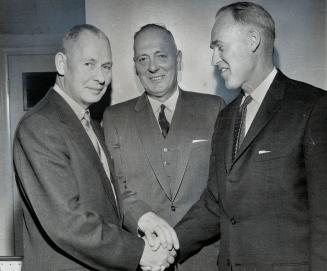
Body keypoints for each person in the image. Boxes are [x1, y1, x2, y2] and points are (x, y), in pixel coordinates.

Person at [174, 2, 327, 271]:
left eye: (219, 46)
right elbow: (215, 202)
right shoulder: (225, 117)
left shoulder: (313, 107)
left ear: (253, 40)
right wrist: (165, 247)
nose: (214, 59)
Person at [13, 24, 177, 271]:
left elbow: (108, 195)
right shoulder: (39, 126)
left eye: (106, 67)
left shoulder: (91, 123)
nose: (100, 77)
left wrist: (145, 218)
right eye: (89, 64)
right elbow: (67, 222)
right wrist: (140, 252)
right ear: (61, 64)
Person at [102, 24, 224, 271]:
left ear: (177, 58)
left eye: (161, 56)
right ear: (135, 65)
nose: (153, 66)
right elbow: (115, 187)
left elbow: (223, 187)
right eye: (143, 59)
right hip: (145, 260)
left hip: (205, 261)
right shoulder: (115, 117)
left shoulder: (214, 109)